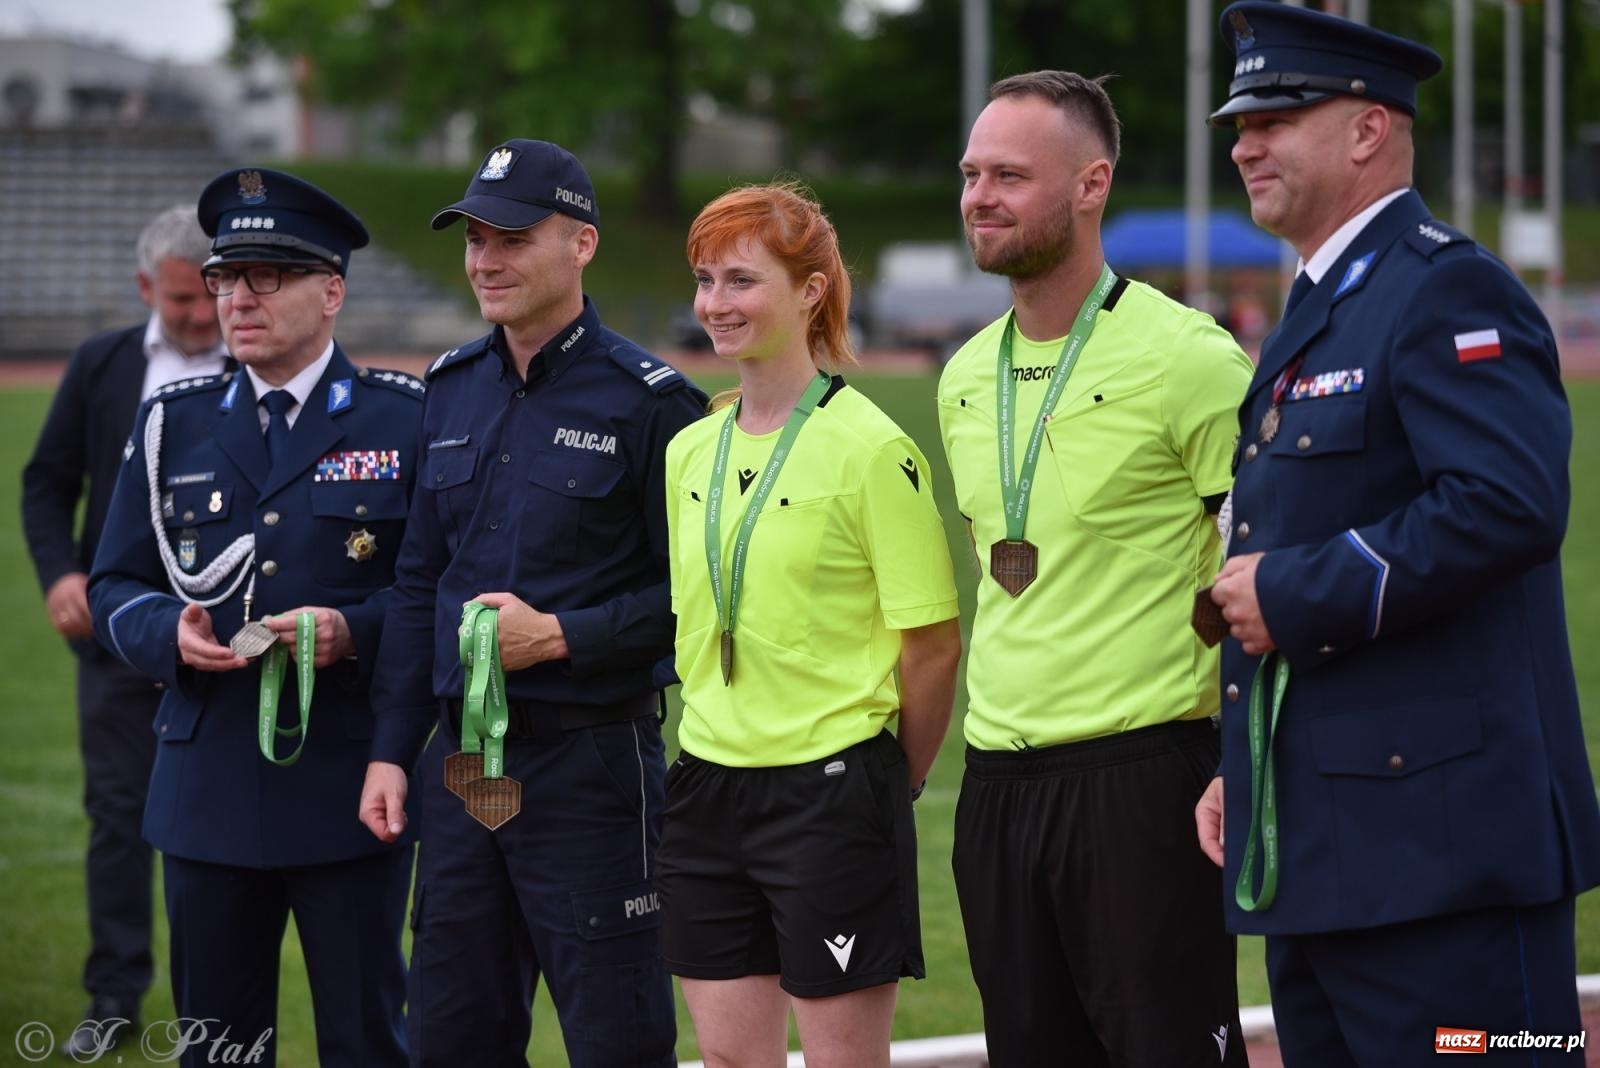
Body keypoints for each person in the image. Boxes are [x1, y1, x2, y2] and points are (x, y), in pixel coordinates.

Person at [1197, 4, 1600, 1062]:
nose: (1243, 145)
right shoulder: (1321, 303)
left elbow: (1508, 501)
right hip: (1331, 850)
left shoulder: (1443, 285)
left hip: (1446, 862)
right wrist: (1248, 770)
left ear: (1367, 129)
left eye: (1274, 119)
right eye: (1240, 124)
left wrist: (1291, 592)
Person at [356, 139, 703, 1068]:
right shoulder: (449, 389)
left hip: (592, 770)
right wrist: (391, 749)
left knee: (617, 1041)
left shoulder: (653, 405)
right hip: (461, 769)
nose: (485, 260)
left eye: (512, 238)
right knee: (452, 1036)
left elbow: (700, 600)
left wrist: (561, 638)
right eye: (475, 239)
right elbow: (418, 584)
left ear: (582, 244)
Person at [939, 71, 1253, 1067]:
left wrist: (1241, 756)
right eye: (971, 174)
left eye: (1009, 176)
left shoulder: (1190, 359)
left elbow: (1262, 566)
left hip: (1141, 781)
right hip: (996, 784)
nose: (979, 197)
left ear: (1091, 185)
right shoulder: (962, 375)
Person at [88, 167, 421, 1067]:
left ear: (332, 291)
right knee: (218, 1049)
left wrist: (354, 632)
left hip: (350, 781)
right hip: (209, 784)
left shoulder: (403, 421)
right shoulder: (172, 423)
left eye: (266, 276)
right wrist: (168, 633)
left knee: (366, 1041)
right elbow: (113, 582)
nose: (237, 298)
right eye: (226, 277)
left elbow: (433, 592)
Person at [656, 182, 962, 1068]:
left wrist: (889, 783)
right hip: (706, 785)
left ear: (811, 292)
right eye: (705, 280)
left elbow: (933, 647)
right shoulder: (689, 449)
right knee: (729, 1060)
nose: (716, 303)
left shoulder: (871, 448)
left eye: (742, 280)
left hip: (831, 792)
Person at [21, 204, 230, 1056]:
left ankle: (213, 1011)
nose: (200, 314)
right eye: (181, 299)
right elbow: (46, 481)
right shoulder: (102, 364)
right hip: (115, 634)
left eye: (209, 294)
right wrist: (61, 575)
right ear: (147, 287)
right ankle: (112, 996)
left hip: (223, 644)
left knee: (215, 832)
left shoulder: (256, 364)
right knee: (117, 818)